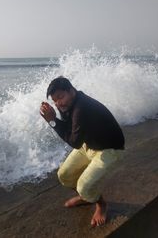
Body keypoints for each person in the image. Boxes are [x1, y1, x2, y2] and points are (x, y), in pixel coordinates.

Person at [40, 76, 125, 227]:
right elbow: (69, 130)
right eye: (55, 100)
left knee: (84, 186)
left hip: (109, 150)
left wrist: (52, 121)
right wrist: (54, 118)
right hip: (89, 145)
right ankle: (86, 197)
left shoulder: (82, 107)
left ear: (71, 91)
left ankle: (101, 205)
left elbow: (74, 142)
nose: (59, 103)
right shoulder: (68, 105)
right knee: (64, 175)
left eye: (61, 97)